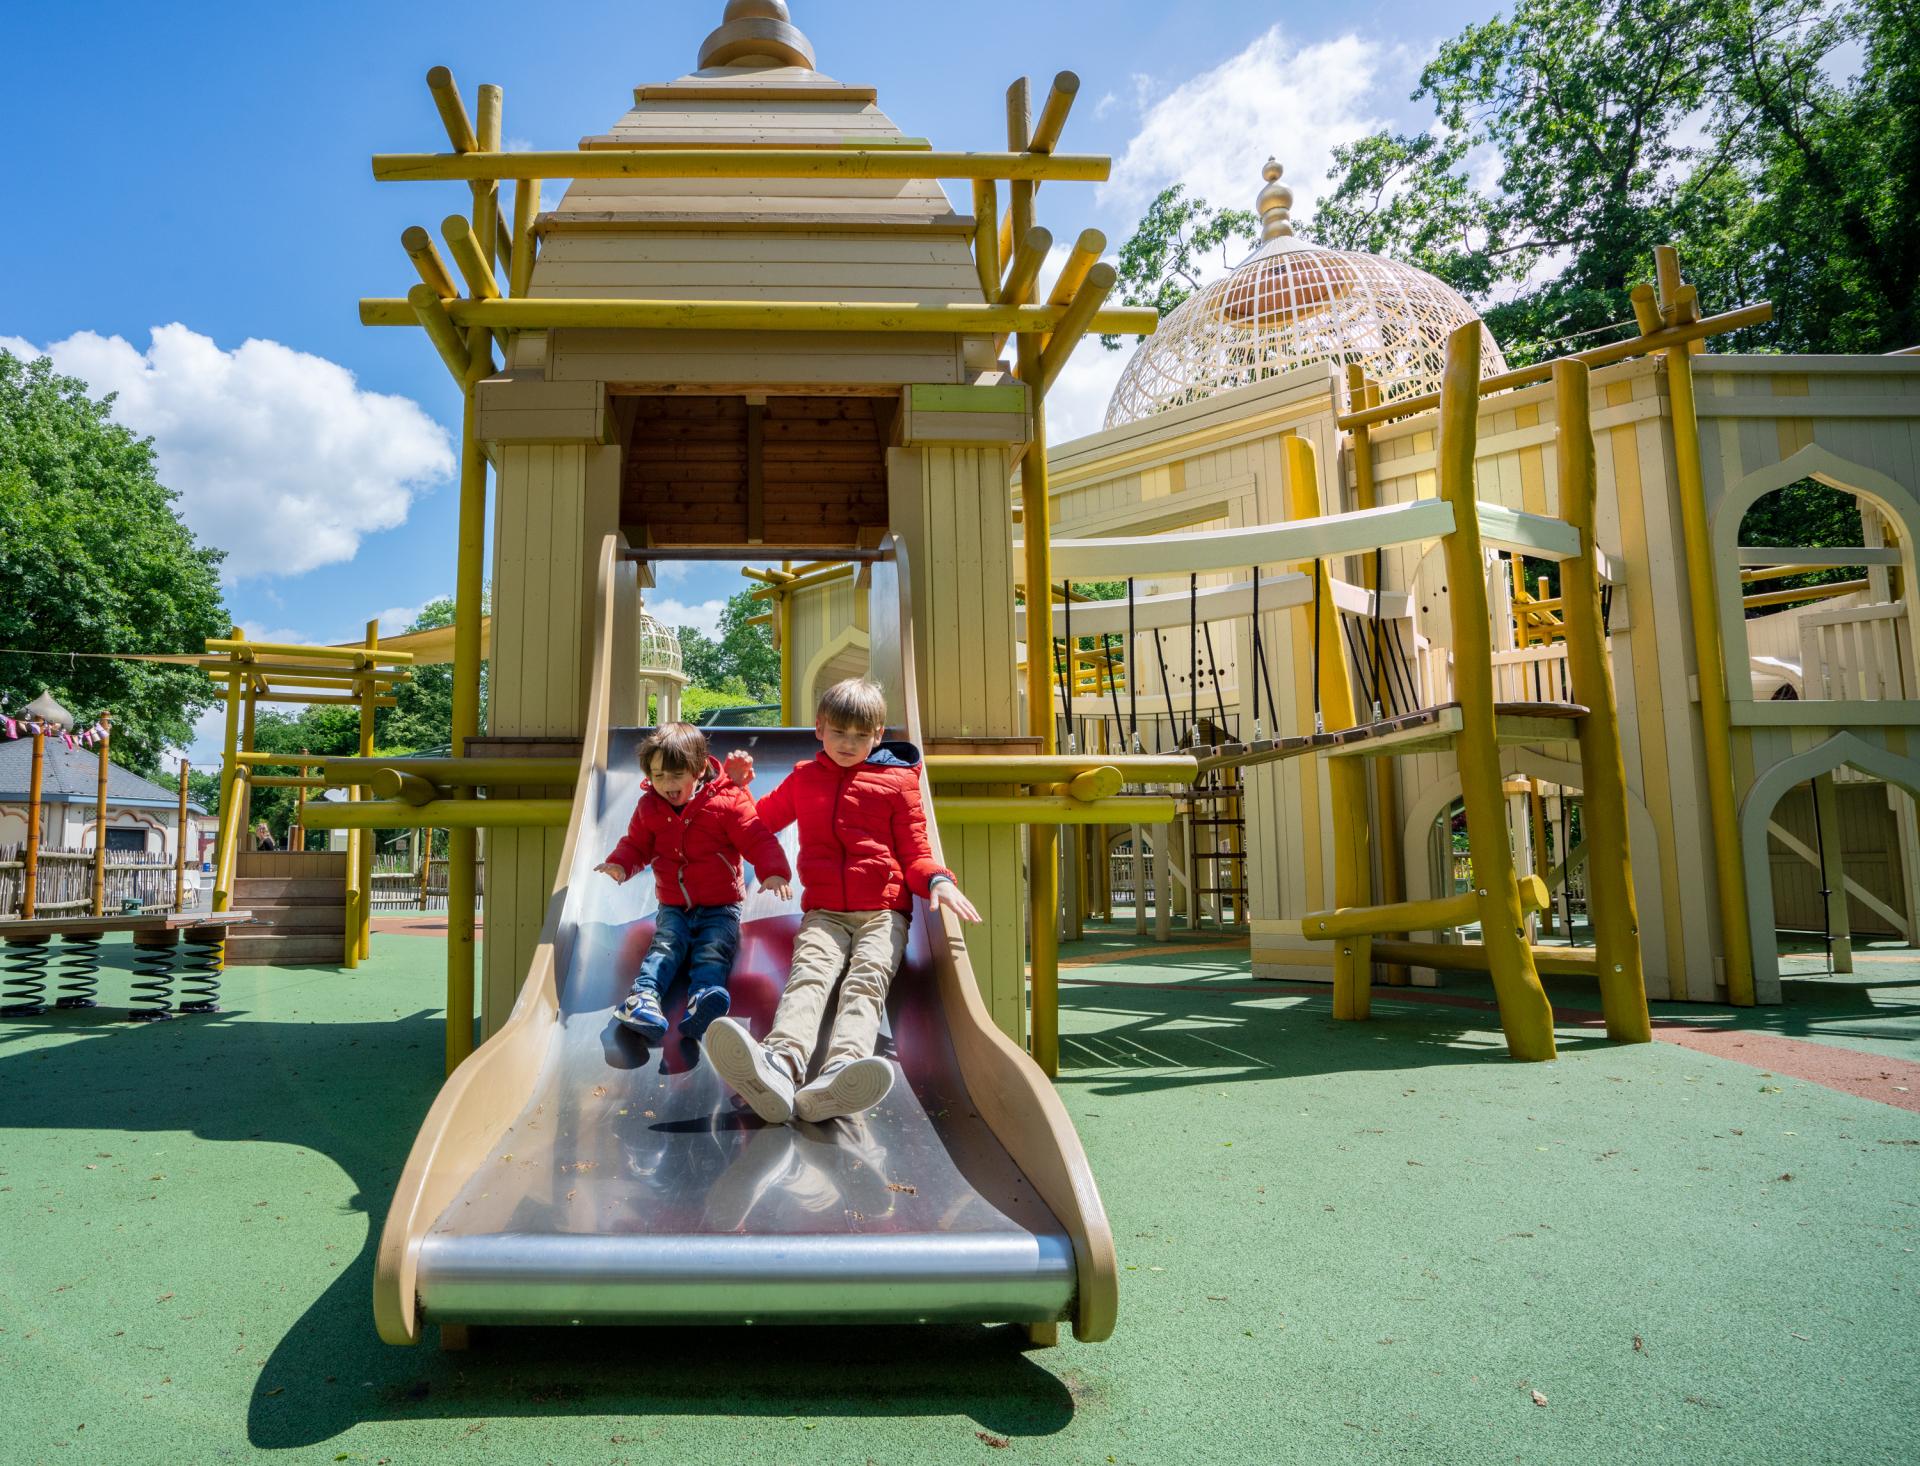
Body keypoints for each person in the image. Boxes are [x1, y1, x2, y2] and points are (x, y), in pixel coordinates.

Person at [703, 678, 979, 1124]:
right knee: (809, 974)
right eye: (839, 732)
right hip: (824, 912)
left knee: (866, 979)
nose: (849, 743)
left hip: (883, 912)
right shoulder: (804, 779)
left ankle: (841, 1070)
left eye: (860, 735)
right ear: (819, 728)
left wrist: (938, 882)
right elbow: (755, 825)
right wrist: (733, 788)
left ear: (877, 735)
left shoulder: (896, 783)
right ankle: (780, 1063)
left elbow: (916, 850)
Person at [596, 723, 791, 1042]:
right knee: (666, 946)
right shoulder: (650, 807)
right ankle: (642, 998)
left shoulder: (727, 800)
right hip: (674, 903)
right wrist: (620, 864)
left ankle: (704, 999)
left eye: (675, 775)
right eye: (657, 776)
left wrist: (773, 870)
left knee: (714, 948)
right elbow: (636, 844)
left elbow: (757, 837)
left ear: (699, 769)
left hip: (721, 904)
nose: (666, 784)